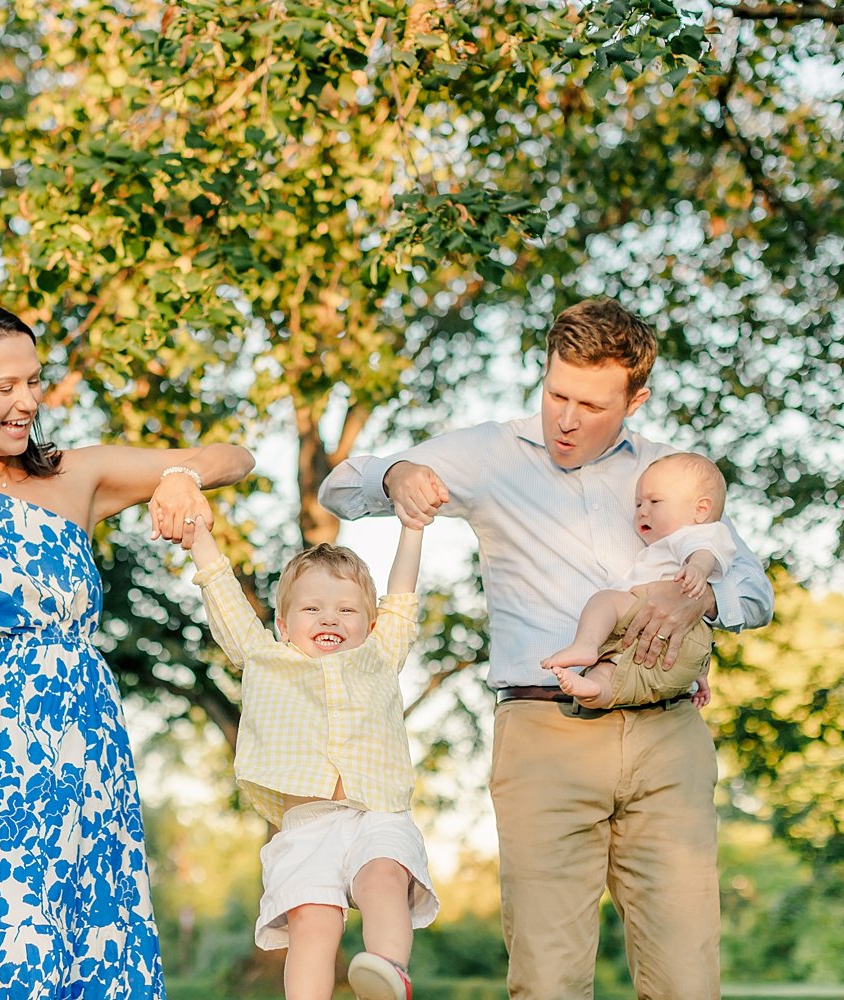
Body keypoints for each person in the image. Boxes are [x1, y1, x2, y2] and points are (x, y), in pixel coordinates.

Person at [318, 298, 773, 1000]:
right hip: (544, 733)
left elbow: (754, 590)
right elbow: (340, 486)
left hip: (669, 735)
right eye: (555, 393)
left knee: (688, 978)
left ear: (635, 398)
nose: (565, 418)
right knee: (548, 980)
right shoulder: (488, 452)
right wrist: (396, 476)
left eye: (590, 404)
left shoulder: (673, 474)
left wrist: (701, 598)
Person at [0, 302, 254, 999]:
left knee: (86, 958)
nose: (29, 400)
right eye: (5, 387)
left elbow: (233, 457)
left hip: (81, 769)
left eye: (35, 380)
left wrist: (183, 475)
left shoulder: (73, 477)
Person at [176, 515, 438, 1000]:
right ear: (283, 624)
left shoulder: (379, 656)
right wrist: (199, 538)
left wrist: (413, 527)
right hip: (306, 826)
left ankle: (387, 974)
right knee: (311, 923)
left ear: (371, 624)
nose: (329, 618)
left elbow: (402, 597)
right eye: (312, 608)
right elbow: (225, 597)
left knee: (383, 876)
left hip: (375, 813)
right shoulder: (264, 658)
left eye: (346, 610)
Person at [541, 451, 737, 712]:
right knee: (607, 671)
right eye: (638, 505)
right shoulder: (668, 544)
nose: (643, 511)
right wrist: (699, 673)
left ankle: (585, 644)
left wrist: (698, 570)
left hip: (657, 614)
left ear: (700, 509)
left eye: (654, 501)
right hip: (675, 653)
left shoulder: (694, 534)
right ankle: (594, 690)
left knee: (605, 600)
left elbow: (704, 552)